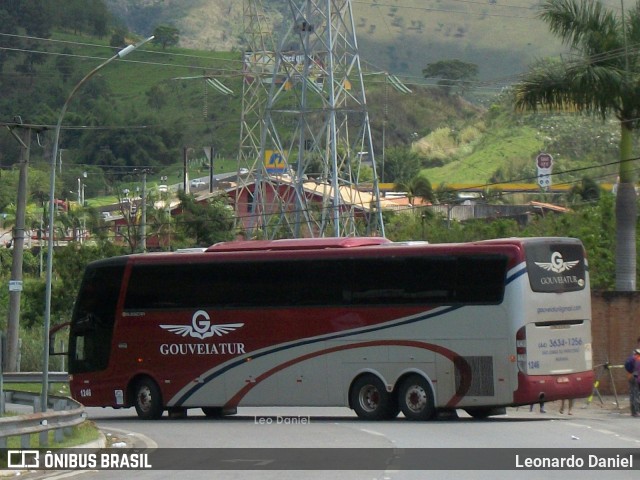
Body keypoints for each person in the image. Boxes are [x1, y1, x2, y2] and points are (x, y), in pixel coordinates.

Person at [624, 348, 640, 417]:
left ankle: (633, 411)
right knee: (637, 395)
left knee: (632, 394)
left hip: (630, 377)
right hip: (637, 378)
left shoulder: (631, 358)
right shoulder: (638, 359)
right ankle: (637, 412)